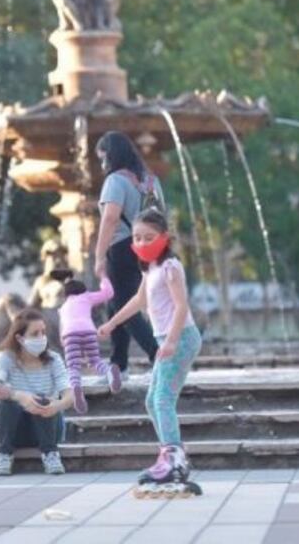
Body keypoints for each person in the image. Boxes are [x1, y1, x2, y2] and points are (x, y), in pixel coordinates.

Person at [98, 208, 202, 489]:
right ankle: (171, 454)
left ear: (164, 238)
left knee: (163, 399)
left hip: (181, 337)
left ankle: (173, 460)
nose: (142, 243)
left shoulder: (170, 267)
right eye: (137, 238)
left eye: (149, 237)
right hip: (167, 338)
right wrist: (111, 323)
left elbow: (181, 307)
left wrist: (170, 342)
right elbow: (138, 301)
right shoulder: (151, 268)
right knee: (151, 401)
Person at [93, 131, 163, 375]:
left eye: (103, 157)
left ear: (111, 156)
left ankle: (158, 354)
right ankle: (118, 363)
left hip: (121, 246)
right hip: (148, 247)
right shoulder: (151, 181)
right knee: (117, 304)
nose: (102, 163)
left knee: (124, 305)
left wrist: (99, 255)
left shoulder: (115, 181)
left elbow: (111, 218)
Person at [0, 308, 73, 476]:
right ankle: (4, 454)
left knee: (43, 400)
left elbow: (69, 396)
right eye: (35, 334)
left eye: (43, 332)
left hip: (47, 427)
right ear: (20, 338)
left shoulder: (54, 359)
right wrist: (21, 396)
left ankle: (50, 454)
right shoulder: (7, 358)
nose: (41, 338)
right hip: (15, 431)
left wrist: (56, 405)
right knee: (6, 403)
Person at [59, 276, 122, 413]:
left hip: (69, 334)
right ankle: (110, 372)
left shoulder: (63, 307)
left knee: (73, 366)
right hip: (88, 331)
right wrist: (103, 277)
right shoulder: (86, 297)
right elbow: (108, 293)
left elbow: (62, 328)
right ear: (83, 289)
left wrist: (63, 341)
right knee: (94, 361)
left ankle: (76, 388)